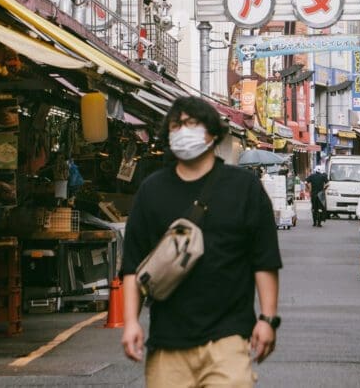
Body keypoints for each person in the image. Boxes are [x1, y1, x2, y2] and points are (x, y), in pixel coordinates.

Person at [120, 97, 283, 387]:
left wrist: (267, 318)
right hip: (167, 342)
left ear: (213, 133)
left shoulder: (244, 188)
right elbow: (132, 265)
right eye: (176, 125)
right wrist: (131, 321)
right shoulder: (151, 191)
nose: (183, 130)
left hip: (228, 339)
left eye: (192, 123)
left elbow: (264, 258)